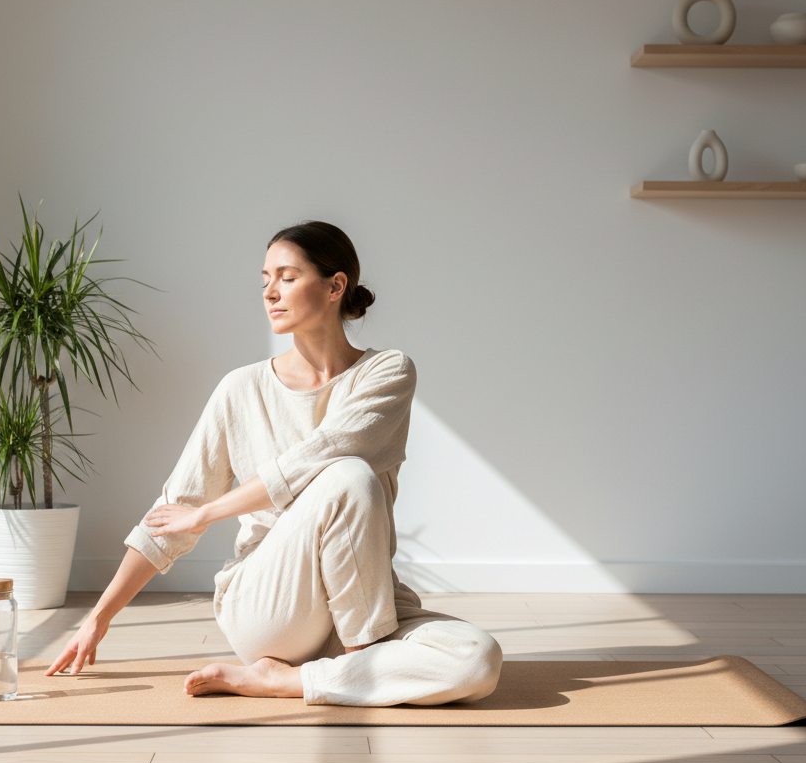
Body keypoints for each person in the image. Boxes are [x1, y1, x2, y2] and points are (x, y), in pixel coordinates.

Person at [45, 221, 502, 706]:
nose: (270, 292)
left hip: (366, 598)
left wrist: (207, 514)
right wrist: (98, 617)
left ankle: (291, 680)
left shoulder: (387, 372)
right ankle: (359, 666)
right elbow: (172, 512)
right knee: (350, 476)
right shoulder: (240, 389)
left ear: (335, 285)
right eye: (265, 279)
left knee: (478, 658)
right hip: (272, 605)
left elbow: (319, 454)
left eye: (286, 277)